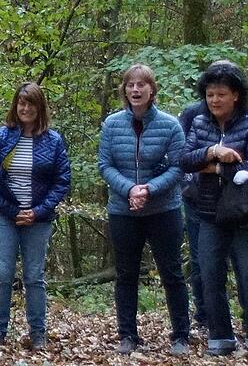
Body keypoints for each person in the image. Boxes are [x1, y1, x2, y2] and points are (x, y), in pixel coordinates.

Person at [179, 60, 248, 355]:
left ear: (235, 95)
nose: (215, 100)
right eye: (210, 95)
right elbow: (183, 159)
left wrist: (214, 169)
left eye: (220, 94)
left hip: (245, 213)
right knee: (208, 273)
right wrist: (213, 151)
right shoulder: (199, 122)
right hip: (208, 211)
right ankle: (220, 337)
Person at [98, 64, 190, 356]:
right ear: (124, 90)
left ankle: (181, 336)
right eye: (130, 85)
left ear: (152, 90)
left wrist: (148, 189)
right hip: (123, 211)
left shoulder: (170, 125)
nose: (135, 90)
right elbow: (105, 165)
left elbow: (179, 167)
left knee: (172, 273)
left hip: (164, 210)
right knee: (126, 274)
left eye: (141, 85)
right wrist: (130, 189)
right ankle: (127, 335)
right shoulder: (111, 124)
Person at [0, 82, 71, 352]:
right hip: (4, 216)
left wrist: (38, 211)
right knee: (3, 273)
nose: (25, 107)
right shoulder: (0, 136)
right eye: (21, 102)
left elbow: (62, 181)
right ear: (14, 105)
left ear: (39, 107)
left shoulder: (53, 140)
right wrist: (10, 210)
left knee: (34, 276)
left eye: (30, 103)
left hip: (39, 218)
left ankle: (39, 333)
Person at [178, 100, 209, 329]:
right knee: (200, 258)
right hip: (196, 197)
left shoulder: (247, 116)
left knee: (239, 260)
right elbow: (182, 156)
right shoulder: (192, 113)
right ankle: (204, 314)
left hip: (236, 198)